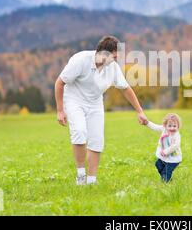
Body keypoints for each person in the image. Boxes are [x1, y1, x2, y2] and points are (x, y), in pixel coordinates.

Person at [54, 36, 148, 185]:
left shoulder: (113, 68)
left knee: (97, 140)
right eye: (115, 56)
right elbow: (59, 83)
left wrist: (140, 111)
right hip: (74, 100)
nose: (116, 60)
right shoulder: (81, 60)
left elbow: (126, 89)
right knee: (79, 132)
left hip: (95, 103)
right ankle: (80, 175)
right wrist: (60, 110)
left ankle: (91, 180)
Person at [143, 113, 182, 182]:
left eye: (174, 126)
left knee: (166, 171)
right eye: (169, 126)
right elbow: (155, 127)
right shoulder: (163, 129)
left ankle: (165, 182)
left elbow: (175, 145)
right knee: (158, 165)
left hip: (173, 159)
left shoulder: (176, 135)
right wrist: (147, 123)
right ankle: (167, 178)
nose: (172, 128)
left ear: (178, 126)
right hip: (163, 157)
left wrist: (166, 151)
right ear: (165, 125)